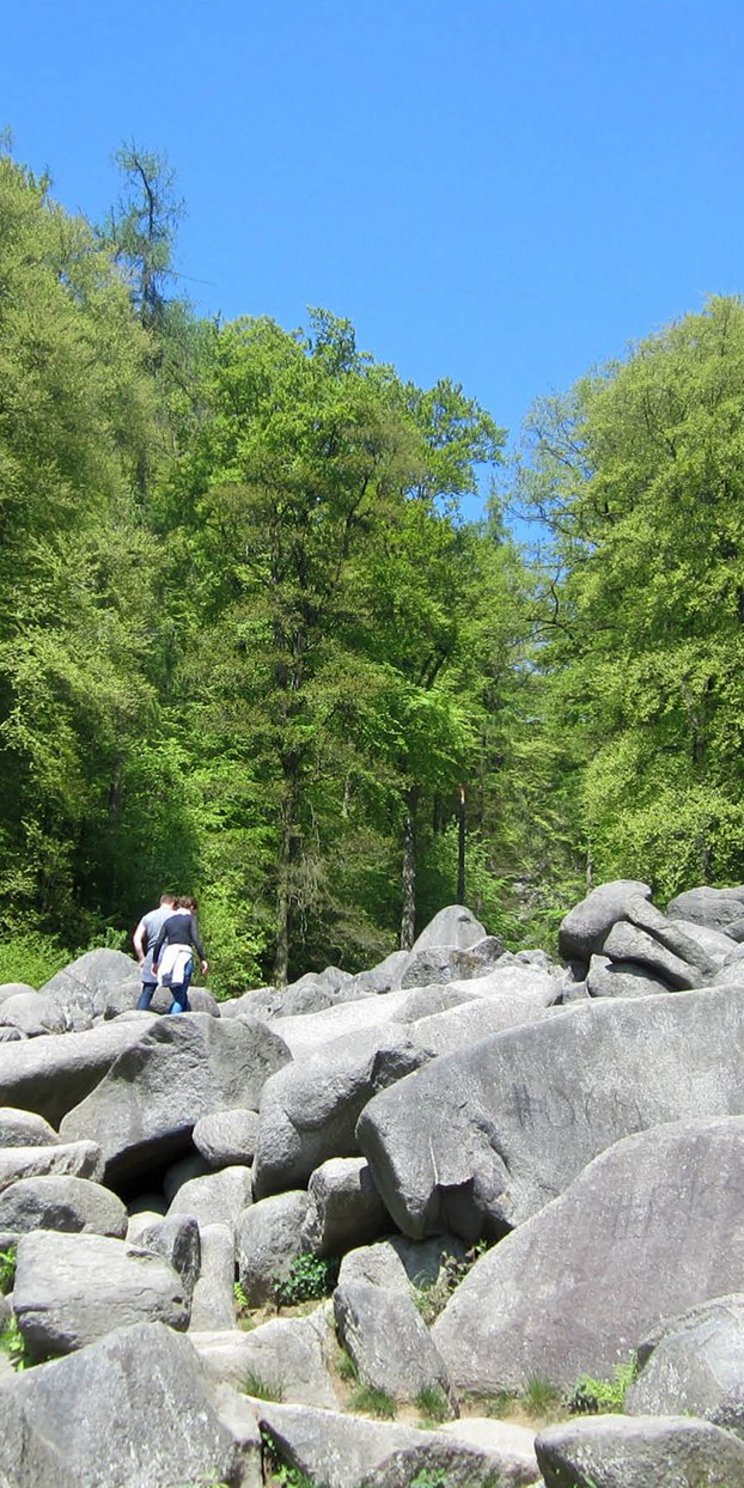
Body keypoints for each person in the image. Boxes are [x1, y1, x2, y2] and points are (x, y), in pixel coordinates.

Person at [151, 894, 209, 1015]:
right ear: (192, 907)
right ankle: (173, 1021)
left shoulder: (168, 921)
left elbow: (158, 943)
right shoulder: (191, 919)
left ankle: (180, 1016)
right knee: (180, 996)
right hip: (184, 957)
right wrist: (203, 959)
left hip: (169, 960)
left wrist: (155, 962)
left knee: (179, 994)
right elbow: (196, 939)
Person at [133, 892, 177, 1011]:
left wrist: (142, 958)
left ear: (161, 902)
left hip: (152, 955)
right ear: (173, 903)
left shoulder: (148, 917)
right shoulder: (176, 916)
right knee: (178, 991)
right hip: (171, 955)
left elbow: (137, 939)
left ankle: (137, 1019)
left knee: (147, 990)